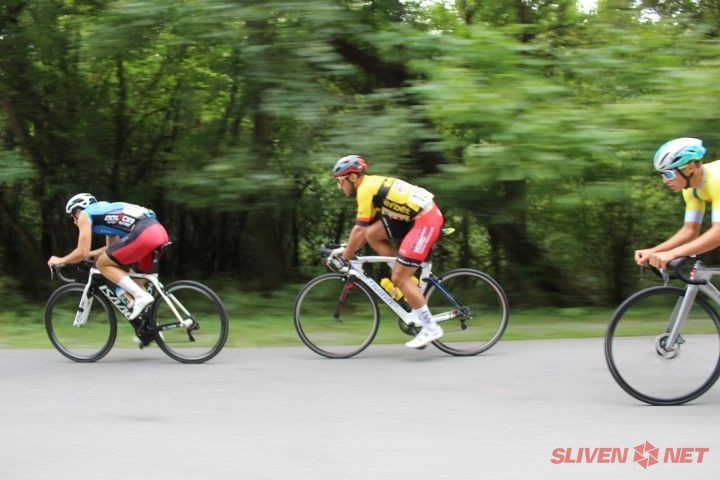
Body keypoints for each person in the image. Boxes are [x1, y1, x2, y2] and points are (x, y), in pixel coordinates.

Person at [328, 154, 445, 348]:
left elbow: (358, 230)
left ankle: (430, 327)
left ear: (353, 177)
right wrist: (345, 249)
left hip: (426, 220)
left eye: (340, 181)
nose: (339, 186)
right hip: (414, 216)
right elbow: (364, 231)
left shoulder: (365, 190)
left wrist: (346, 257)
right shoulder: (369, 185)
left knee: (399, 277)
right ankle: (406, 280)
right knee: (372, 234)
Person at [47, 193, 170, 326]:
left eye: (72, 215)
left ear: (78, 209)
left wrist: (60, 260)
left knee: (102, 264)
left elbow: (81, 252)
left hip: (145, 234)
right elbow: (111, 248)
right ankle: (152, 328)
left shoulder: (84, 215)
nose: (74, 221)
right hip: (158, 231)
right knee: (129, 288)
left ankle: (141, 296)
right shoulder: (106, 214)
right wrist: (89, 254)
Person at [635, 137, 719, 270]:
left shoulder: (717, 180)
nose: (665, 181)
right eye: (662, 174)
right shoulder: (691, 189)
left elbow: (718, 233)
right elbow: (690, 231)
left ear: (690, 167)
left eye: (668, 174)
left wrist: (673, 253)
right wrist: (654, 251)